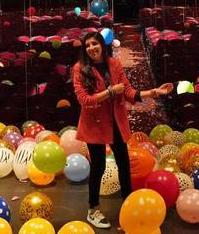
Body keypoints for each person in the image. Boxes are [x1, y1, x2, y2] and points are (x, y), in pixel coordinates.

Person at [72, 31, 173, 229]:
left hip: (116, 122)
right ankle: (93, 208)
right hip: (95, 124)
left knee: (124, 165)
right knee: (98, 167)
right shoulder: (80, 69)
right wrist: (109, 92)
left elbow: (127, 91)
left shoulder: (114, 64)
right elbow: (84, 100)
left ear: (102, 44)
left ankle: (128, 205)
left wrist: (153, 92)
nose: (91, 48)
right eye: (87, 45)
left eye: (94, 44)